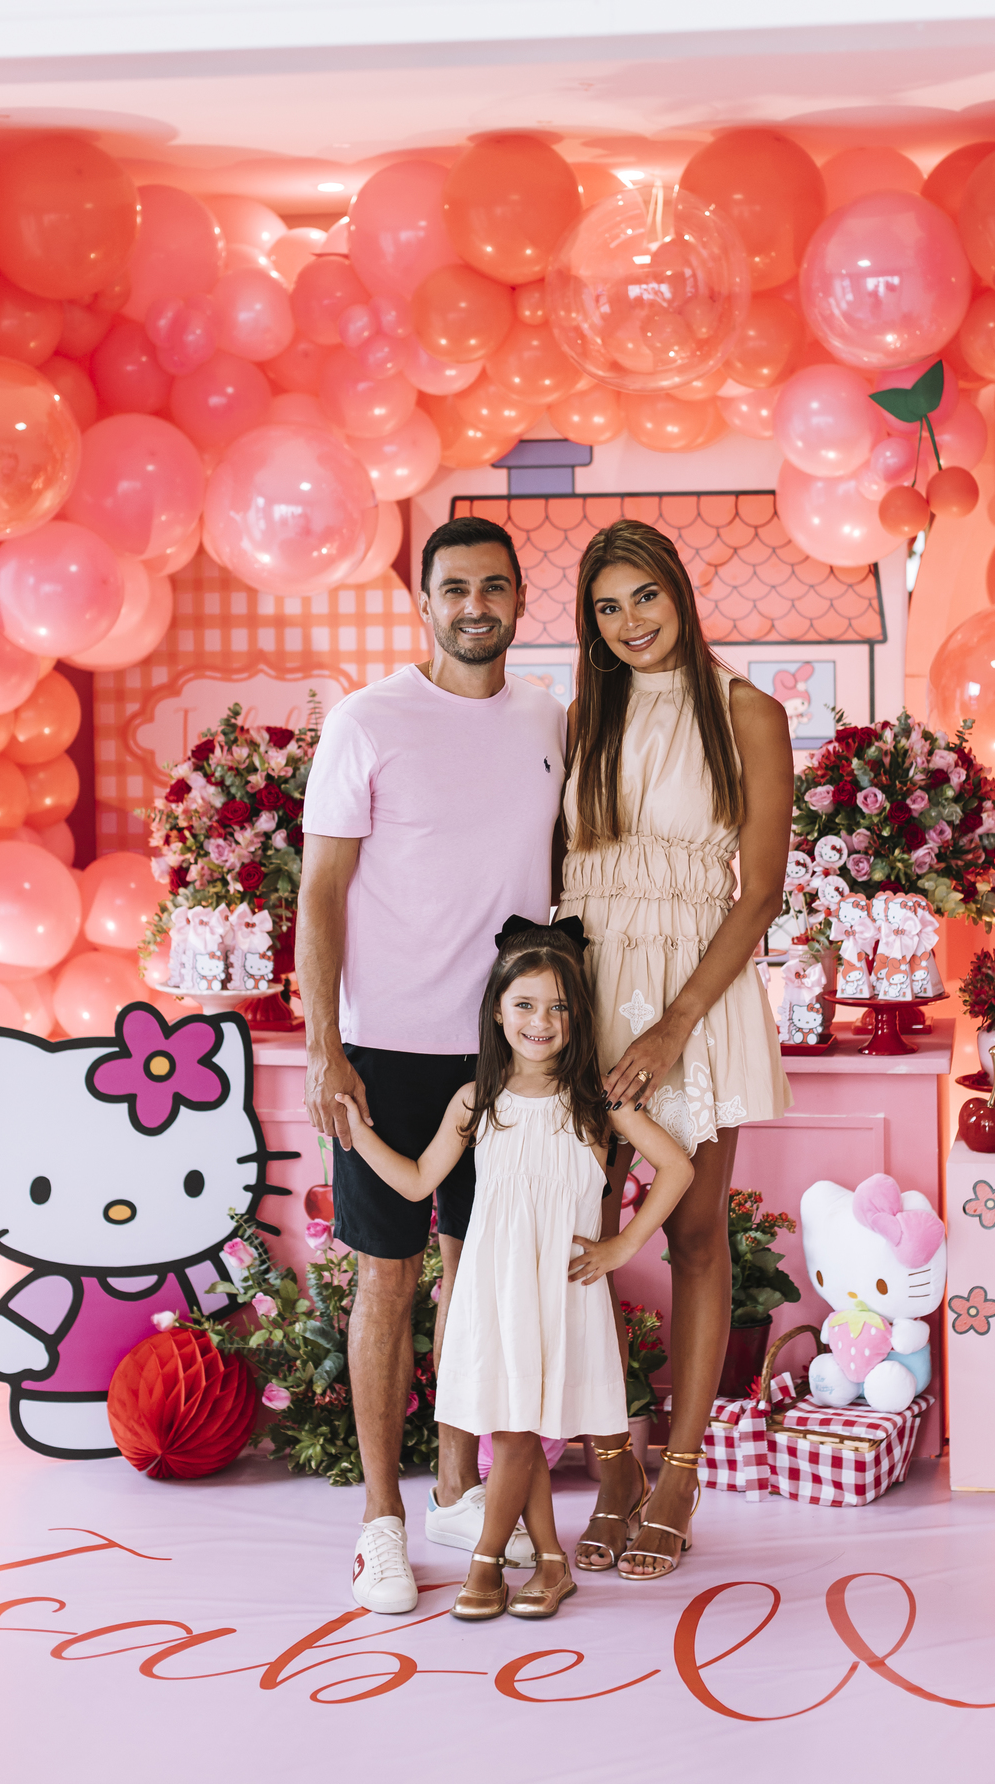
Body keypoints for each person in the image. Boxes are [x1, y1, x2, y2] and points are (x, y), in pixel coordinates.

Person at [297, 517, 566, 1615]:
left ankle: (457, 1493)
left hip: (508, 1054)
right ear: (423, 601)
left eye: (495, 587)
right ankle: (380, 1524)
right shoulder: (367, 721)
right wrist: (324, 1047)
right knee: (389, 1277)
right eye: (455, 588)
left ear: (519, 600)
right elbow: (320, 892)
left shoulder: (545, 718)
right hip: (387, 1048)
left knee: (477, 1275)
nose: (475, 606)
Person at [556, 519, 793, 1581]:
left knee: (695, 1237)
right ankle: (613, 1468)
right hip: (590, 987)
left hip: (695, 994)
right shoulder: (584, 717)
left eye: (644, 596)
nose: (630, 623)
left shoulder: (747, 713)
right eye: (607, 608)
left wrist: (674, 1023)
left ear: (680, 595)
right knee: (579, 1234)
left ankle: (681, 1473)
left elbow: (761, 893)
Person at [337, 922, 693, 1621]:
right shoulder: (477, 1102)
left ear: (578, 1017)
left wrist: (622, 1246)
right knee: (513, 1429)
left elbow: (676, 1167)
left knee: (518, 1434)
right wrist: (357, 1134)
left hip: (558, 1294)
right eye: (525, 1004)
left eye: (559, 1007)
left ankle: (487, 1564)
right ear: (497, 1012)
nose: (542, 1021)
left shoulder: (597, 1102)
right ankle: (549, 1562)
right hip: (496, 1292)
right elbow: (416, 1182)